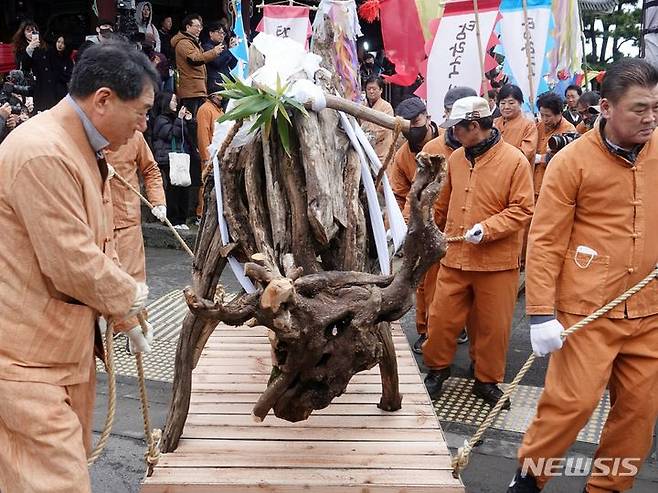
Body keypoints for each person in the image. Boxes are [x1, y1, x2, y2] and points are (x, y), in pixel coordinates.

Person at [0, 41, 157, 493]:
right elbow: (70, 259)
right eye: (142, 111)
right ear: (104, 99)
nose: (145, 124)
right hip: (28, 362)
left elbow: (95, 244)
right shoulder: (43, 151)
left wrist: (123, 312)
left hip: (62, 351)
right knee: (57, 484)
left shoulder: (81, 146)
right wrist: (129, 295)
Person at [507, 58, 658, 493]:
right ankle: (529, 481)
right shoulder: (571, 162)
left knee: (638, 413)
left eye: (656, 108)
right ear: (606, 108)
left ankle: (608, 488)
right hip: (588, 309)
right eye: (639, 108)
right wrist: (538, 314)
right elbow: (546, 239)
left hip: (648, 309)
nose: (650, 117)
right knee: (570, 405)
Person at [423, 96, 534, 407]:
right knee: (441, 319)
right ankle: (436, 370)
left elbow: (523, 209)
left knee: (493, 328)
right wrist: (424, 229)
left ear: (474, 126)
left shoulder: (514, 161)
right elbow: (442, 203)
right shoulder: (456, 159)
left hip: (497, 263)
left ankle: (486, 380)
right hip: (455, 257)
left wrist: (488, 228)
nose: (453, 134)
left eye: (457, 128)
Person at [412, 86, 477, 355]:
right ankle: (425, 329)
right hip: (436, 227)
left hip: (469, 231)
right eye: (452, 114)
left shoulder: (483, 151)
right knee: (428, 283)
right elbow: (418, 189)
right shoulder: (433, 148)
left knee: (467, 290)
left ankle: (459, 329)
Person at [105, 130, 166, 352]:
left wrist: (158, 200)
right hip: (95, 219)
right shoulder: (86, 133)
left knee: (132, 281)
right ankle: (134, 328)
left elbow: (150, 169)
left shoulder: (134, 136)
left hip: (126, 217)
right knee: (106, 280)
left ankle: (135, 327)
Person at [151, 91, 195, 229]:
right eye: (173, 101)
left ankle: (182, 219)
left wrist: (189, 121)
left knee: (184, 187)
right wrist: (179, 119)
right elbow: (172, 134)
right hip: (167, 158)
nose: (176, 103)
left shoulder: (176, 118)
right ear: (166, 102)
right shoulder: (160, 119)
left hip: (179, 157)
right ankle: (173, 219)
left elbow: (188, 136)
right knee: (173, 188)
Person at [171, 13, 224, 116]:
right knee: (191, 121)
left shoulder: (192, 42)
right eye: (197, 26)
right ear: (188, 27)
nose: (200, 29)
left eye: (201, 26)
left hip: (197, 89)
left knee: (198, 120)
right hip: (191, 91)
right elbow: (194, 60)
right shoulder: (183, 43)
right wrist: (213, 52)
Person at [533, 92, 576, 200]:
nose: (544, 119)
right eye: (541, 115)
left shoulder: (569, 131)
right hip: (534, 186)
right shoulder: (537, 126)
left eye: (548, 116)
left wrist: (540, 158)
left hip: (554, 188)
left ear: (560, 113)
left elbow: (567, 161)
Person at [24, 34, 74, 112]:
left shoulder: (68, 61)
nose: (60, 45)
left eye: (63, 43)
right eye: (58, 42)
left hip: (60, 92)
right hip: (46, 90)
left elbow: (68, 76)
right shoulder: (49, 54)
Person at [195, 90, 224, 218]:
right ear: (213, 95)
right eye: (220, 94)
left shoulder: (219, 110)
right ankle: (201, 213)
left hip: (219, 154)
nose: (222, 97)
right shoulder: (205, 109)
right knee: (206, 183)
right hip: (209, 155)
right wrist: (206, 156)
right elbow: (203, 134)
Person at [494, 84, 538, 165]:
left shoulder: (529, 125)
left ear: (520, 103)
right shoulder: (494, 123)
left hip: (517, 171)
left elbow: (525, 153)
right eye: (503, 103)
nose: (506, 107)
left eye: (511, 103)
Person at [361, 76, 394, 166]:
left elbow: (383, 129)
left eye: (374, 89)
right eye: (369, 89)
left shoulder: (386, 107)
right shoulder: (362, 106)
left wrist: (366, 134)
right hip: (365, 150)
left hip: (382, 150)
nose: (371, 91)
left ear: (381, 90)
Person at [202, 21, 238, 95]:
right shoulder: (206, 47)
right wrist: (229, 51)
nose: (222, 35)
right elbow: (217, 63)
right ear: (211, 33)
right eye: (219, 32)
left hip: (226, 83)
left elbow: (232, 65)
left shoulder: (223, 47)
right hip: (215, 84)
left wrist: (233, 50)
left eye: (223, 33)